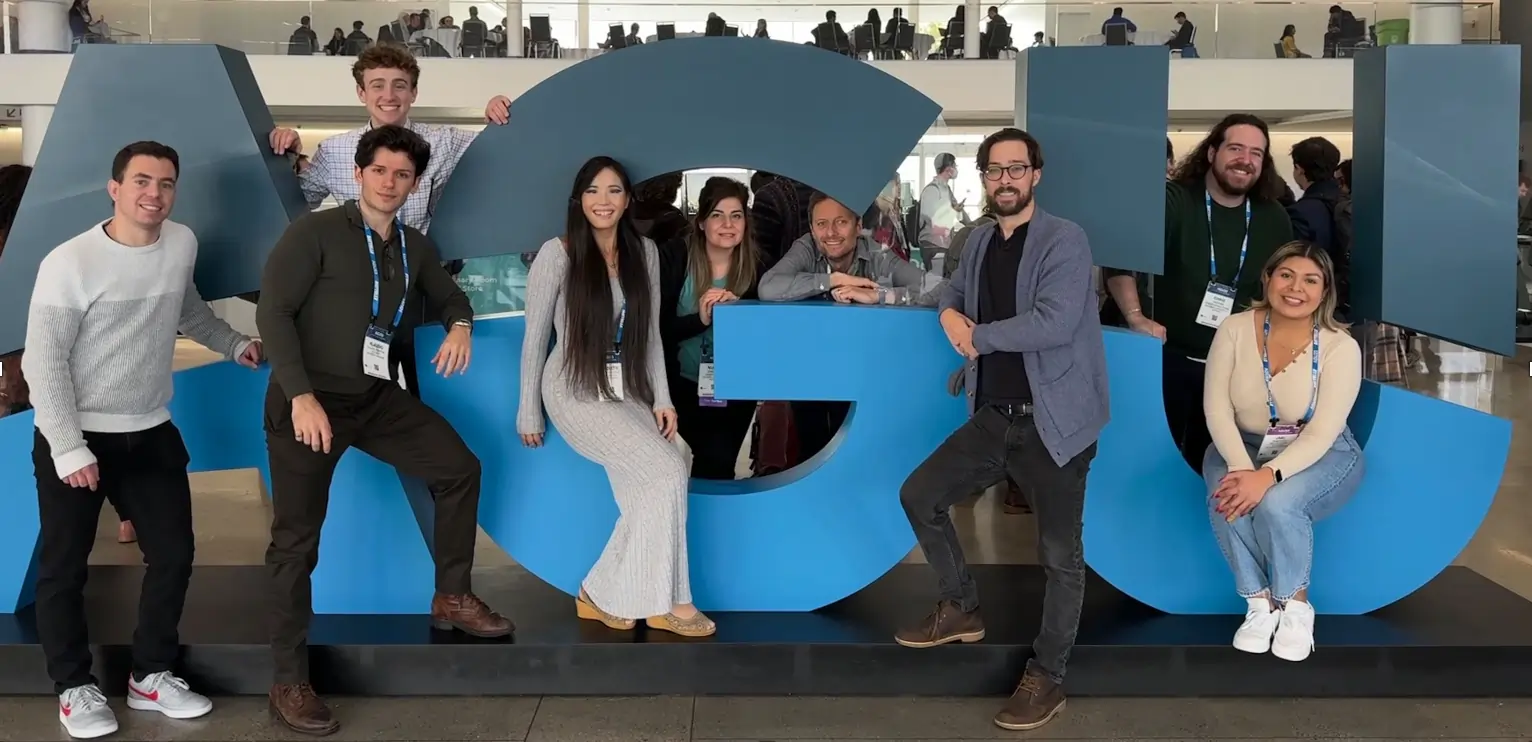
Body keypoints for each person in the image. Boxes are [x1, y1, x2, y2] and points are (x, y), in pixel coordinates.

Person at [256, 125, 512, 735]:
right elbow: (274, 312)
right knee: (296, 543)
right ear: (359, 174)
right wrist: (301, 397)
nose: (390, 183)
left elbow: (452, 298)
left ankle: (451, 594)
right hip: (308, 403)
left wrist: (461, 325)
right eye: (380, 171)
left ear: (414, 183)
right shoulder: (314, 233)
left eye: (403, 175)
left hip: (373, 397)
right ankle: (288, 680)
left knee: (459, 469)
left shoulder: (413, 245)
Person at [23, 141, 263, 739]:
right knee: (63, 569)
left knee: (175, 555)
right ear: (114, 187)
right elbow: (42, 363)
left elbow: (190, 312)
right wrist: (70, 447)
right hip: (77, 434)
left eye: (165, 183)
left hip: (150, 429)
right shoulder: (69, 262)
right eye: (141, 181)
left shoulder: (180, 243)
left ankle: (150, 674)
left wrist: (235, 344)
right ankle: (74, 687)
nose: (153, 194)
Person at [895, 128, 1108, 733]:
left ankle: (1047, 677)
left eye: (1017, 169)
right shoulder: (981, 240)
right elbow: (952, 297)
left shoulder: (1066, 240)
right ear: (982, 178)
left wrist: (977, 336)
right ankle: (961, 606)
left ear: (1036, 175)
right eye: (994, 171)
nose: (1006, 180)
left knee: (1060, 558)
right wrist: (945, 315)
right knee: (920, 495)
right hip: (992, 417)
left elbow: (1056, 321)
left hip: (1054, 423)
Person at [518, 156, 713, 638]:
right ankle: (673, 601)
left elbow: (647, 337)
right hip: (573, 387)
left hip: (625, 386)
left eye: (614, 191)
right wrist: (528, 410)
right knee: (663, 470)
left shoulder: (643, 251)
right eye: (593, 191)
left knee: (677, 454)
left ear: (628, 199)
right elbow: (535, 335)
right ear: (578, 199)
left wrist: (663, 400)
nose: (603, 201)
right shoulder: (557, 254)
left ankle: (601, 590)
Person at [1202, 241, 1363, 663]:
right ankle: (1260, 604)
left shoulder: (1340, 347)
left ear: (1325, 291)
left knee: (1278, 504)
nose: (1296, 288)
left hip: (1320, 450)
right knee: (1227, 490)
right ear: (1268, 278)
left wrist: (1266, 477)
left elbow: (1323, 431)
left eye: (1311, 280)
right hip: (1243, 445)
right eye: (1286, 275)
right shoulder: (1234, 328)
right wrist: (1242, 469)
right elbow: (1216, 407)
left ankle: (1295, 606)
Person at [1104, 114, 1294, 470]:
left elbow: (1286, 285)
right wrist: (1135, 317)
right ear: (1211, 153)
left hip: (1235, 366)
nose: (1245, 160)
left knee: (1213, 463)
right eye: (1235, 148)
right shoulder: (1174, 200)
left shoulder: (1273, 217)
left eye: (1256, 153)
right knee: (1156, 462)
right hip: (1168, 360)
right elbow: (1120, 261)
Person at [658, 176, 763, 480]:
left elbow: (763, 335)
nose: (727, 224)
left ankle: (698, 523)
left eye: (736, 215)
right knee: (713, 457)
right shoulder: (676, 257)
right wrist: (700, 320)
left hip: (737, 388)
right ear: (701, 221)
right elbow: (657, 329)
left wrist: (739, 314)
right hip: (683, 384)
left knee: (720, 461)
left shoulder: (758, 267)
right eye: (717, 215)